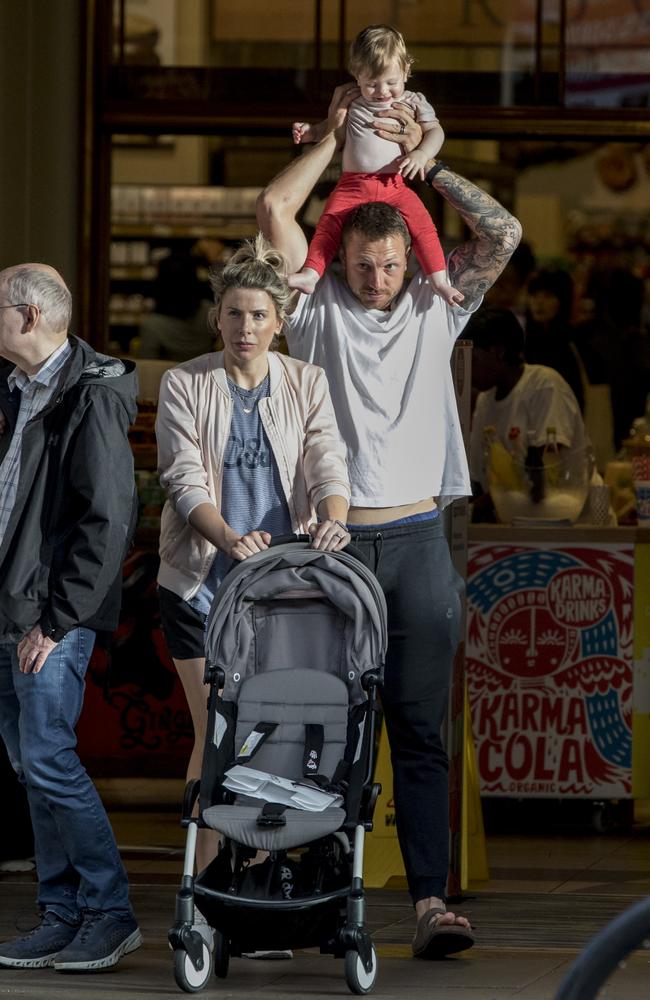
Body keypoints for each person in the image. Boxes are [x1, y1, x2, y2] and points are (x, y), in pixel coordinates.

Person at [257, 89, 522, 958]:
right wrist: (336, 138)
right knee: (323, 728)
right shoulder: (314, 302)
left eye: (391, 264)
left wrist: (425, 162)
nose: (377, 280)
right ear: (342, 262)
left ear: (413, 257)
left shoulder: (438, 306)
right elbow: (274, 208)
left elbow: (505, 234)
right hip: (331, 542)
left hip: (414, 541)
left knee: (416, 726)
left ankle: (430, 905)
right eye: (363, 265)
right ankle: (319, 902)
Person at [155, 235, 351, 875]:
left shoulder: (306, 381)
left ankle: (260, 880)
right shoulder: (186, 382)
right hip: (201, 584)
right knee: (215, 732)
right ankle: (205, 882)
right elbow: (184, 479)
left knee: (270, 735)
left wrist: (334, 520)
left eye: (259, 314)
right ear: (217, 317)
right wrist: (227, 537)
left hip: (279, 594)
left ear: (280, 321)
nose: (245, 326)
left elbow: (328, 459)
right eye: (234, 313)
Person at [0, 264, 141, 971]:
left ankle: (109, 912)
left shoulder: (90, 394)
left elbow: (107, 521)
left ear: (26, 316)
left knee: (50, 759)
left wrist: (54, 623)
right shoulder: (20, 389)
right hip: (11, 608)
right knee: (31, 762)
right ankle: (61, 912)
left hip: (48, 616)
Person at [290, 24, 462, 307]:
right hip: (352, 184)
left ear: (406, 70)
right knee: (328, 223)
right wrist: (310, 132)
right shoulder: (351, 98)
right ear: (356, 75)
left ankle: (440, 279)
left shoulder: (414, 101)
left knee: (423, 226)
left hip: (394, 184)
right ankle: (311, 273)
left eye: (391, 82)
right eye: (372, 84)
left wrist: (421, 154)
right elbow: (331, 130)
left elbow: (436, 132)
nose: (383, 92)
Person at [466, 307, 597, 518]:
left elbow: (543, 470)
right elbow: (476, 477)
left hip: (569, 524)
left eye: (473, 358)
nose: (467, 369)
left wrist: (480, 507)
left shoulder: (544, 385)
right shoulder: (484, 401)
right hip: (519, 524)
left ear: (498, 352)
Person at [524, 267, 585, 411]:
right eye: (534, 295)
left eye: (548, 296)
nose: (539, 302)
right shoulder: (526, 342)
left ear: (563, 301)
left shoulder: (573, 343)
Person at [137, 252, 214, 361]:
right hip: (204, 374)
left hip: (166, 375)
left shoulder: (152, 325)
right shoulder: (210, 312)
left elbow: (147, 362)